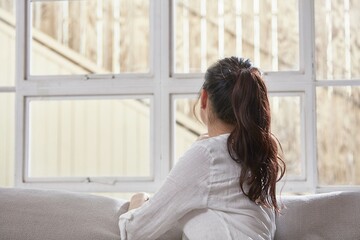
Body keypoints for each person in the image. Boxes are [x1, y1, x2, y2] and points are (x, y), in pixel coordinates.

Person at [118, 56, 286, 240]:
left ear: (204, 98)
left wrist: (138, 199)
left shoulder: (208, 155)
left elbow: (135, 230)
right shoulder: (257, 157)